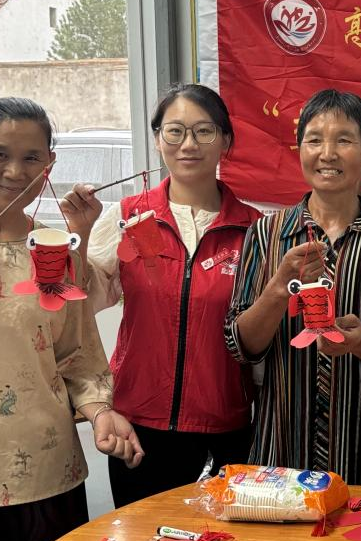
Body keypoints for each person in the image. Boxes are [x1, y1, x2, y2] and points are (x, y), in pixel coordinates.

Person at [0, 97, 142, 541]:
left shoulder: (55, 251)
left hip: (46, 473)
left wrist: (101, 412)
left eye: (31, 158)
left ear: (49, 165)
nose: (14, 171)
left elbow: (78, 356)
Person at [61, 83, 261, 507]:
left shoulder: (255, 229)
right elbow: (84, 302)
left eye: (204, 131)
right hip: (138, 423)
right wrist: (80, 233)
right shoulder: (125, 216)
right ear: (157, 140)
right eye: (175, 131)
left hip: (226, 427)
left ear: (226, 141)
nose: (188, 144)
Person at [223, 89, 361, 486]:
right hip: (284, 449)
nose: (327, 154)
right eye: (314, 139)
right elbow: (241, 345)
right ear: (300, 148)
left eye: (344, 140)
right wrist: (278, 289)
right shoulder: (266, 234)